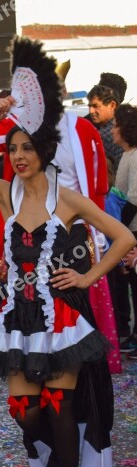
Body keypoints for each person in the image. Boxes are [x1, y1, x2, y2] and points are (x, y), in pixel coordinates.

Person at [0, 94, 135, 467]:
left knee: (58, 403)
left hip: (61, 318)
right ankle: (65, 460)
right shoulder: (4, 194)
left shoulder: (67, 199)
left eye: (27, 148)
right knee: (23, 409)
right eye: (12, 149)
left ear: (45, 152)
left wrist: (86, 276)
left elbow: (124, 237)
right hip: (18, 317)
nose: (18, 156)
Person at [112, 104, 137, 359]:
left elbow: (133, 198)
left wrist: (117, 228)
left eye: (116, 124)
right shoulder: (127, 155)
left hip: (133, 229)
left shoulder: (136, 156)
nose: (113, 130)